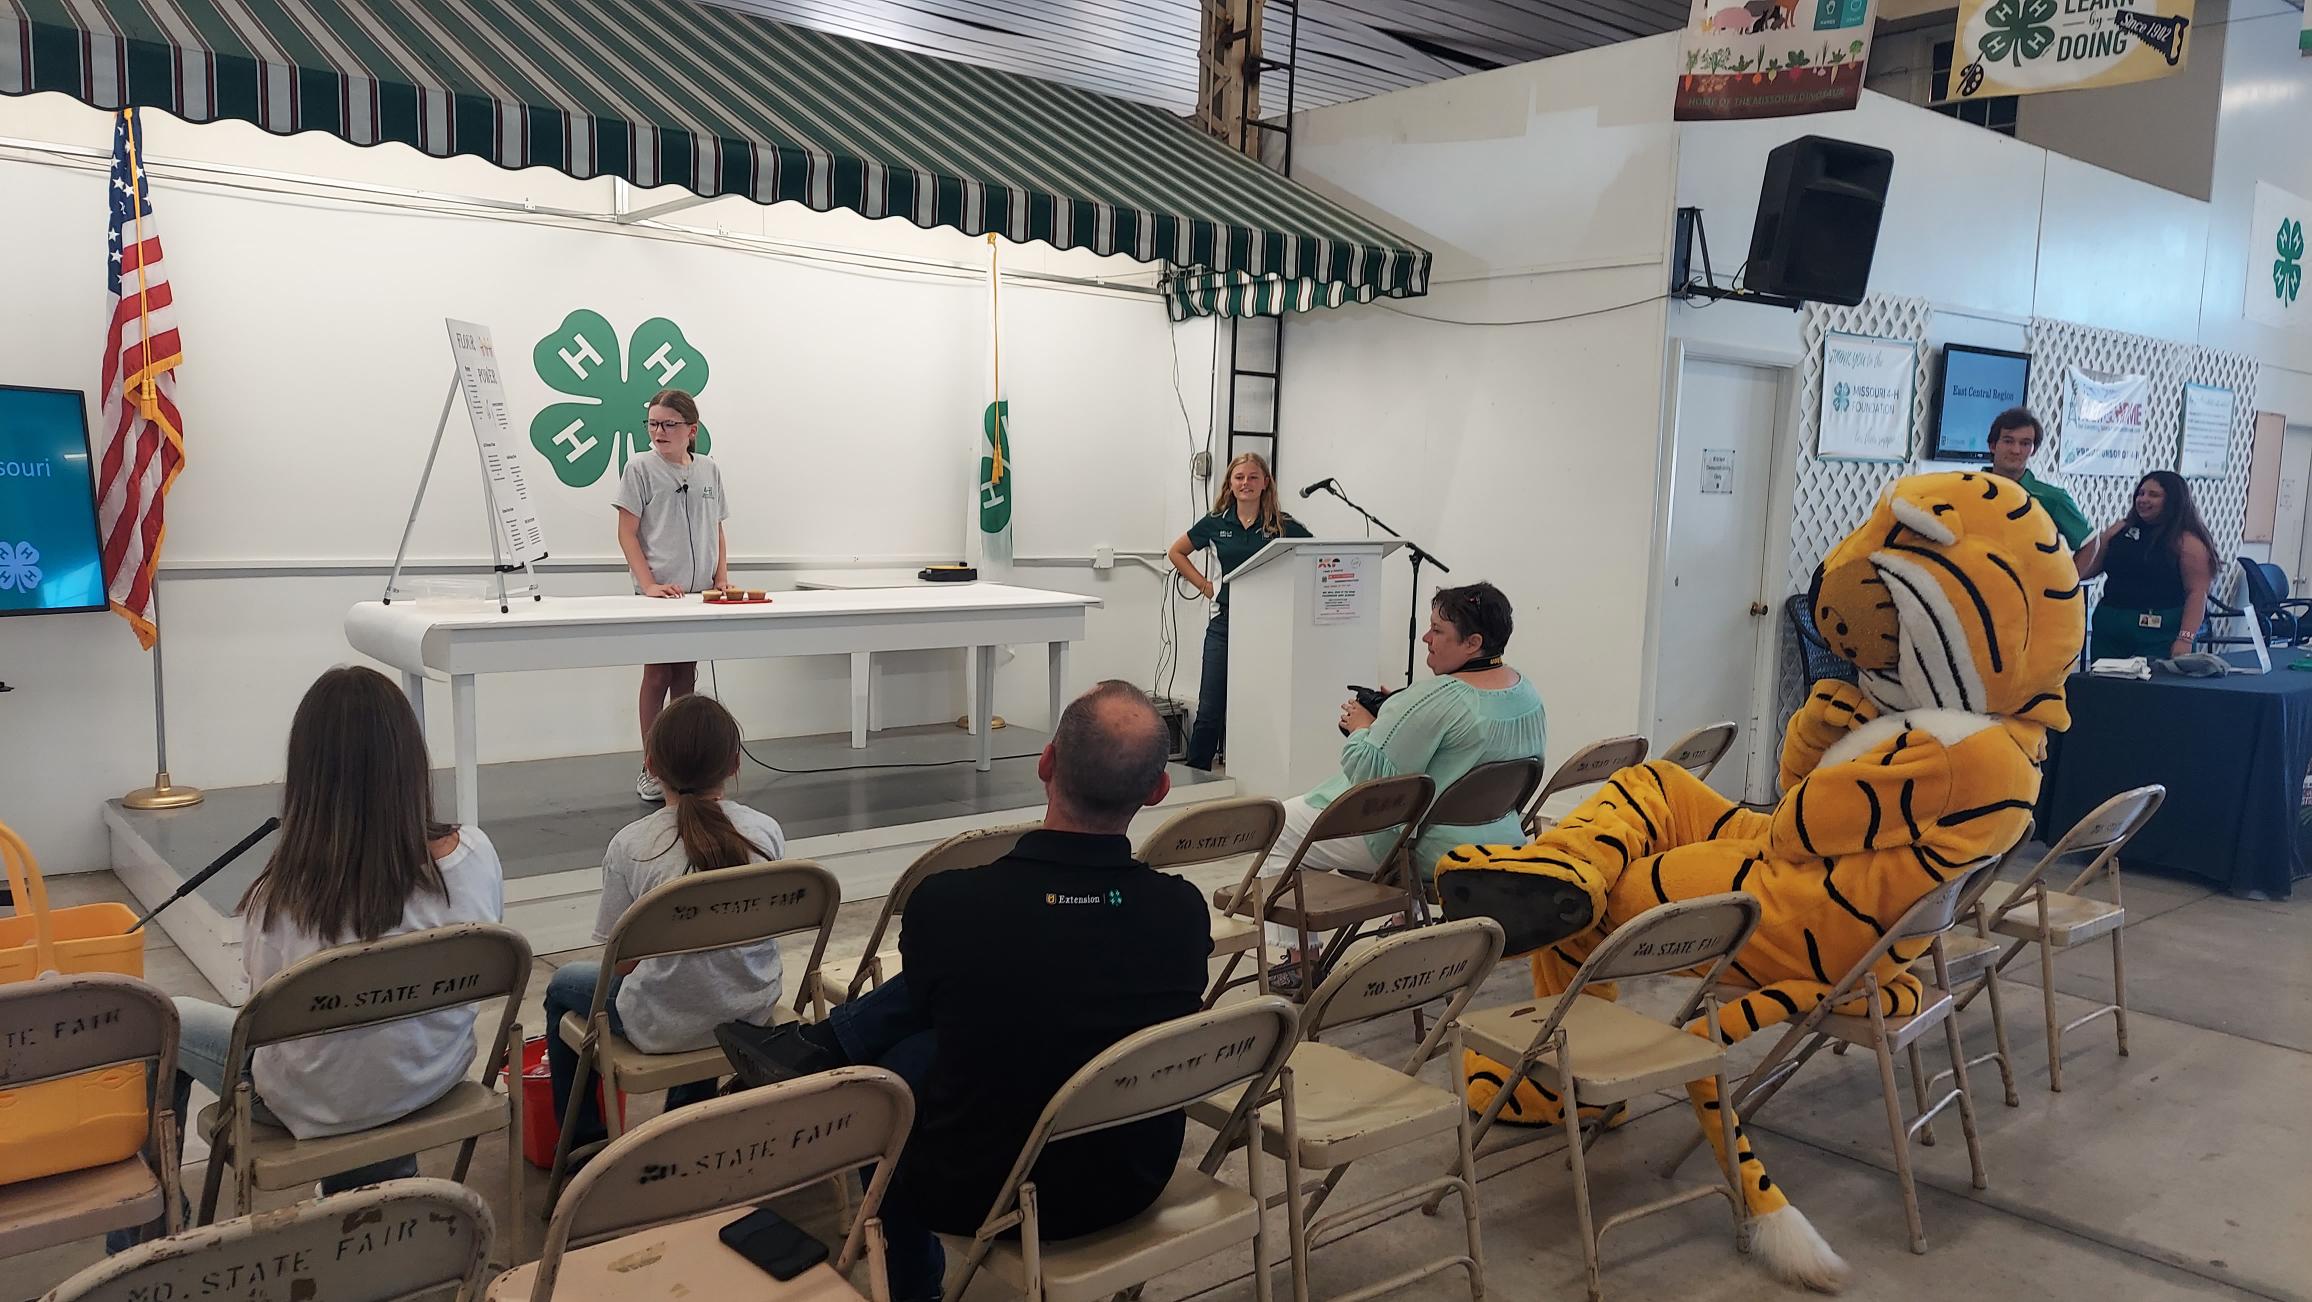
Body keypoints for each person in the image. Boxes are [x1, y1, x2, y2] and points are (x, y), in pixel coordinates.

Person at [717, 681, 1209, 1302]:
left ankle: (819, 1063)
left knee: (890, 1076)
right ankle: (816, 1051)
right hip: (1132, 1177)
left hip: (978, 1191)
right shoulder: (1182, 912)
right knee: (943, 1027)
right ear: (1159, 791)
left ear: (1045, 762)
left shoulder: (954, 904)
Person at [109, 667, 505, 1249]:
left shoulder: (283, 900)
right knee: (365, 1048)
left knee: (152, 1025)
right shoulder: (472, 856)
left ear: (309, 775)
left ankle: (148, 1243)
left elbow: (264, 1020)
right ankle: (377, 1204)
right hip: (433, 1075)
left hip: (319, 1101)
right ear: (409, 760)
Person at [1264, 581, 1546, 988]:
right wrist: (1399, 710)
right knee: (1421, 801)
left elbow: (1372, 777)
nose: (1426, 639)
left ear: (1473, 643)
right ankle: (1406, 918)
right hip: (1499, 835)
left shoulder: (1435, 699)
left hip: (1423, 848)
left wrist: (1363, 728)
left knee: (1279, 825)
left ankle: (1298, 963)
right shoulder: (1525, 691)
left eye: (1438, 631)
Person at [542, 693, 787, 1152]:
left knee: (562, 989)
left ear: (651, 765)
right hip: (751, 1010)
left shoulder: (631, 845)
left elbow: (622, 966)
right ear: (734, 764)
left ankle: (581, 1145)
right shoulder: (765, 831)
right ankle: (683, 1125)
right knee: (702, 976)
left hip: (663, 1024)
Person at [615, 387, 730, 801]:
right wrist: (648, 585)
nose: (659, 431)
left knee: (685, 675)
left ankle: (685, 766)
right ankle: (652, 764)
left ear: (691, 430)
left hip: (697, 595)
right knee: (658, 674)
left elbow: (716, 526)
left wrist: (722, 577)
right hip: (658, 593)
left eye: (668, 424)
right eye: (653, 424)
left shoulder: (708, 470)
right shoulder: (639, 468)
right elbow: (627, 532)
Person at [1167, 452, 1312, 770]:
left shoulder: (1281, 525)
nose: (1246, 483)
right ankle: (1196, 777)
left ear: (1265, 483)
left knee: (1261, 704)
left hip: (1269, 626)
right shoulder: (1216, 523)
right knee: (1210, 708)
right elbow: (1176, 552)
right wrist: (1206, 586)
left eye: (1253, 477)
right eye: (1240, 477)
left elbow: (1316, 555)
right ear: (1230, 484)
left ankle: (1259, 771)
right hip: (1226, 622)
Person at [2076, 469, 2218, 661]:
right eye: (2141, 493)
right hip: (2110, 626)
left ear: (2172, 500)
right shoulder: (2118, 530)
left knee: (2153, 688)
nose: (2143, 499)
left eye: (2153, 495)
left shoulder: (2188, 542)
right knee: (2106, 686)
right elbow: (2087, 568)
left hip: (2160, 631)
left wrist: (2185, 639)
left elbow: (2197, 593)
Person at [1982, 407, 2092, 550]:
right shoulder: (1968, 491)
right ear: (1992, 446)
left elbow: (2090, 544)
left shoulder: (2052, 498)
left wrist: (2069, 573)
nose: (2016, 450)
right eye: (2008, 441)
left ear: (2033, 450)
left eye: (2025, 443)